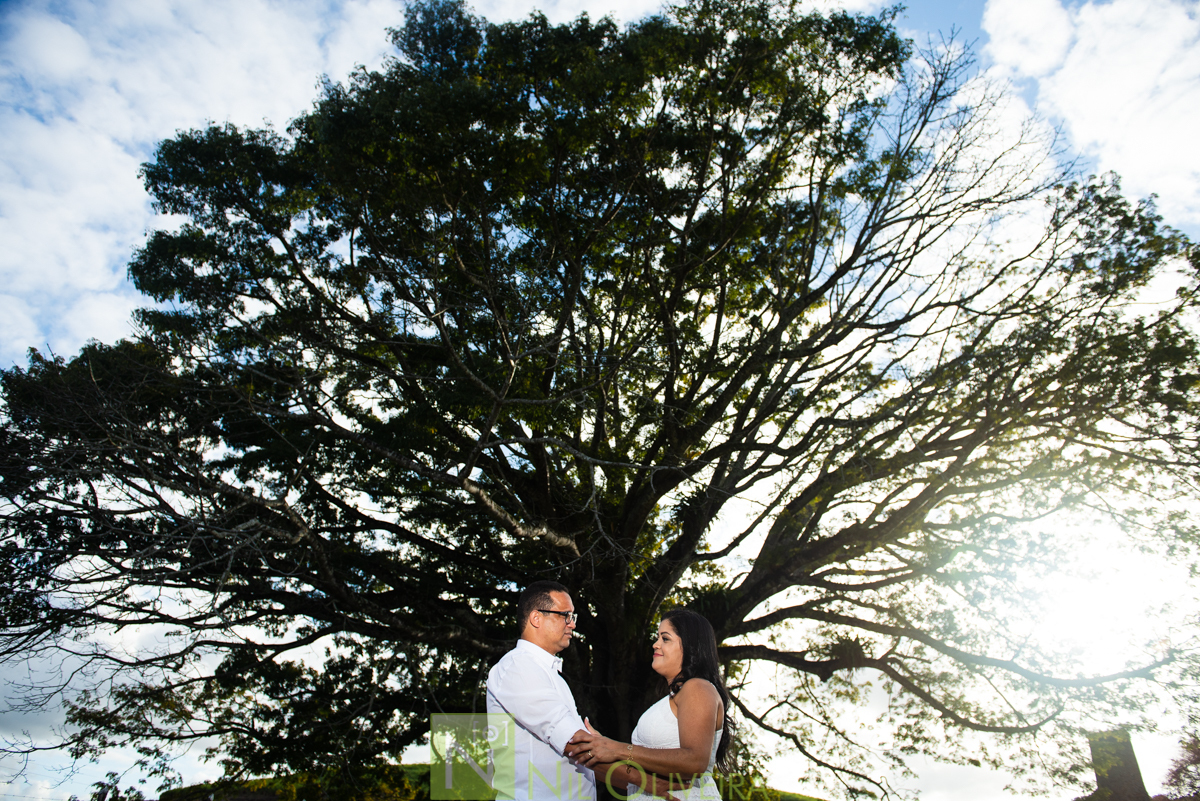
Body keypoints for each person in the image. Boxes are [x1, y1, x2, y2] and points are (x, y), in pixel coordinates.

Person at [565, 609, 730, 801]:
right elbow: (640, 780)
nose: (655, 644)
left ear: (690, 646)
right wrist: (600, 750)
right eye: (657, 637)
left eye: (665, 638)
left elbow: (695, 761)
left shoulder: (697, 687)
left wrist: (616, 748)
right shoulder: (673, 697)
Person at [487, 580, 596, 801]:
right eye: (565, 615)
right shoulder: (518, 667)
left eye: (572, 617)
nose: (572, 624)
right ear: (536, 618)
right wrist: (643, 778)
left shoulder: (552, 675)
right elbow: (575, 744)